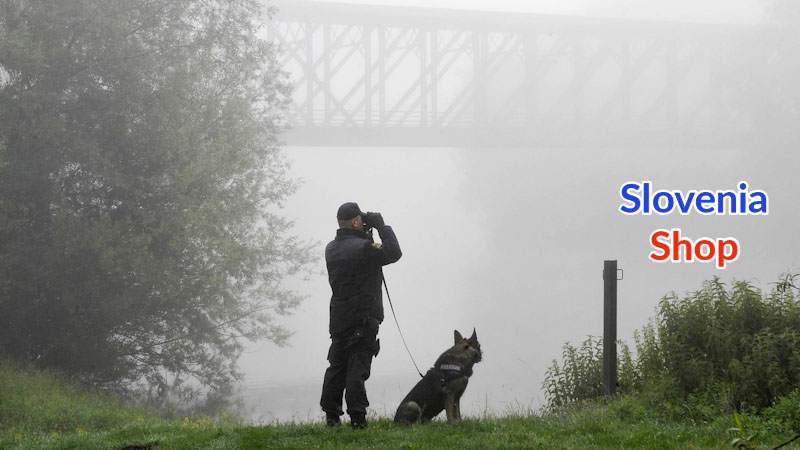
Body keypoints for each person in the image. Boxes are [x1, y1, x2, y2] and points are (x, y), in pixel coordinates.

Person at [320, 202, 402, 429]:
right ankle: (358, 418)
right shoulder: (364, 248)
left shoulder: (331, 248)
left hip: (338, 318)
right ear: (356, 221)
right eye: (361, 219)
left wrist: (365, 234)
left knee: (336, 366)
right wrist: (381, 226)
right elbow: (394, 252)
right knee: (357, 367)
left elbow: (356, 255)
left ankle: (331, 416)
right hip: (363, 317)